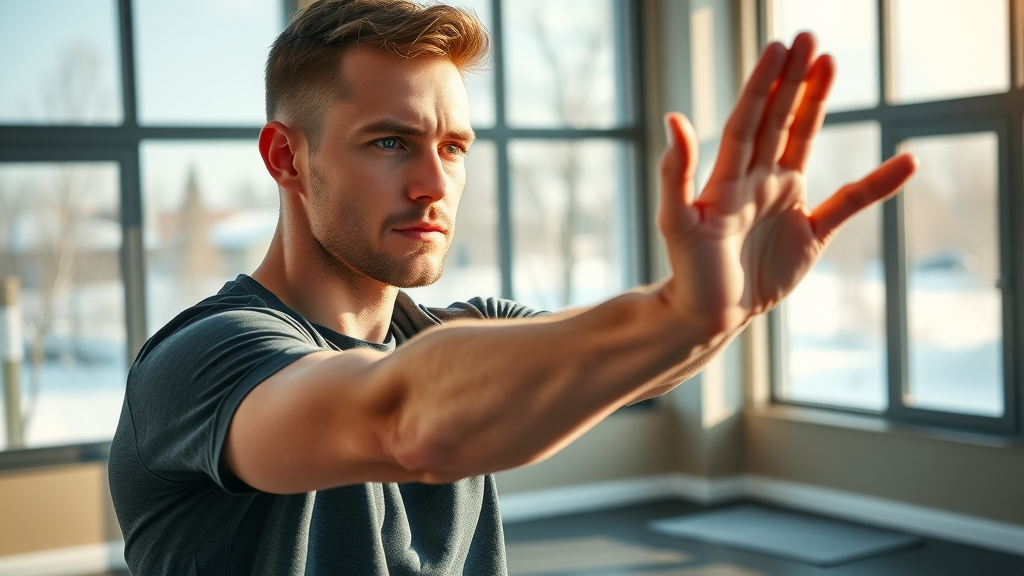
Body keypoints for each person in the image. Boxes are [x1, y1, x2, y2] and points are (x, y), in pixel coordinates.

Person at [108, 0, 918, 574]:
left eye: (453, 147)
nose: (434, 183)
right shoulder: (204, 363)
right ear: (287, 158)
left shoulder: (457, 336)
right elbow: (402, 421)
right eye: (390, 142)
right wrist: (681, 313)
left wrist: (727, 304)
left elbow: (626, 359)